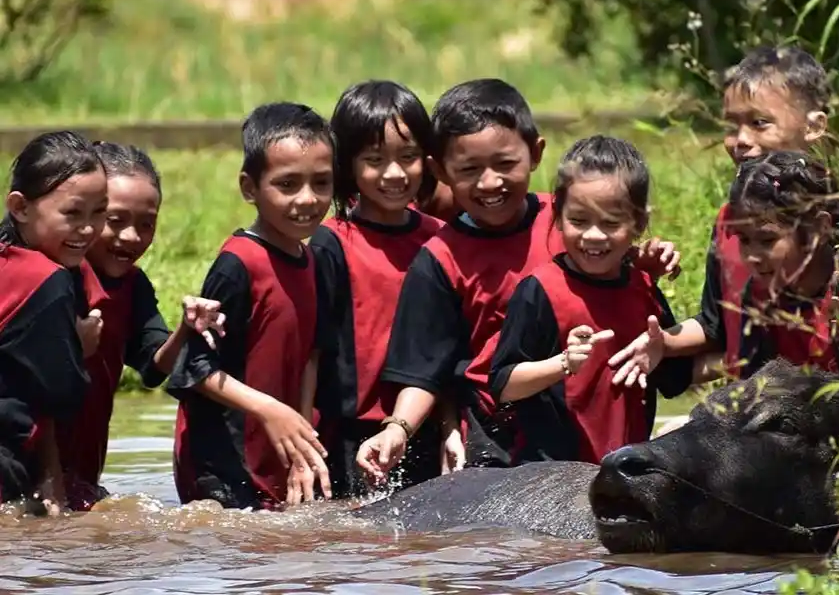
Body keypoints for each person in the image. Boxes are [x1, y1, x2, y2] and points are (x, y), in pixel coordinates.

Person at [355, 79, 680, 484]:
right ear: (440, 171)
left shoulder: (573, 215)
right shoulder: (439, 260)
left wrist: (641, 258)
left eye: (505, 164)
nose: (490, 183)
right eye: (469, 170)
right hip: (498, 440)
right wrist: (398, 428)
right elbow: (425, 370)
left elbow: (614, 256)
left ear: (536, 154)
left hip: (597, 422)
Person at [610, 45, 839, 384]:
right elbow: (717, 325)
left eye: (760, 123)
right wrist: (662, 341)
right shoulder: (729, 220)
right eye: (732, 126)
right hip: (751, 406)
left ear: (813, 127)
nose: (741, 140)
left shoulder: (829, 224)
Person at [622, 151, 839, 404]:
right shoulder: (761, 297)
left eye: (766, 240)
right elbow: (752, 399)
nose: (751, 256)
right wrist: (664, 345)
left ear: (818, 229)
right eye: (744, 241)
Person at [167, 102, 334, 510]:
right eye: (288, 184)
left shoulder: (312, 261)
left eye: (322, 183)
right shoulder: (238, 264)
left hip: (275, 451)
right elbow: (194, 369)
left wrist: (302, 444)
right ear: (249, 188)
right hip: (220, 461)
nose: (308, 199)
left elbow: (310, 357)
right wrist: (269, 410)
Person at [488, 136, 693, 464]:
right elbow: (503, 385)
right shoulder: (540, 290)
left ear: (639, 222)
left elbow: (676, 381)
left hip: (623, 470)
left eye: (611, 223)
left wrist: (660, 352)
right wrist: (564, 363)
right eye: (579, 220)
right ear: (557, 214)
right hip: (549, 475)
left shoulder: (643, 288)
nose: (594, 236)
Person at [56, 141, 225, 511]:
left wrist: (187, 327)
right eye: (115, 221)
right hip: (32, 467)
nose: (132, 237)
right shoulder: (53, 276)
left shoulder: (132, 286)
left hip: (80, 474)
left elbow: (153, 366)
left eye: (146, 224)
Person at [309, 80, 447, 499]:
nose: (394, 174)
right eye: (374, 160)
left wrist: (450, 428)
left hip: (423, 430)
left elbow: (451, 347)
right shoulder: (329, 242)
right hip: (349, 435)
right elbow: (311, 352)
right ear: (347, 165)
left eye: (408, 158)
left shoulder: (442, 240)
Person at [0, 130, 107, 512]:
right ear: (21, 207)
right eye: (72, 213)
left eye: (99, 212)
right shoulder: (47, 280)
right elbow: (64, 394)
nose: (89, 228)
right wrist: (79, 347)